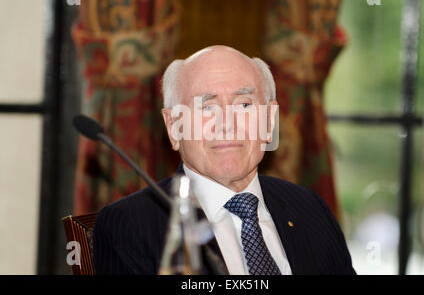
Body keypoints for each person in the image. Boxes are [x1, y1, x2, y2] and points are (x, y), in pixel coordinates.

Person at [93, 45, 356, 275]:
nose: (227, 124)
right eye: (207, 108)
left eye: (244, 105)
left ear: (269, 121)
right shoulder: (129, 225)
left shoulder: (310, 208)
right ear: (174, 127)